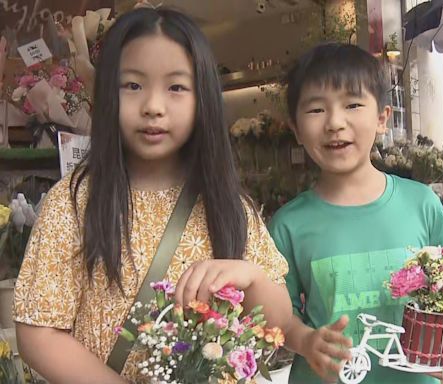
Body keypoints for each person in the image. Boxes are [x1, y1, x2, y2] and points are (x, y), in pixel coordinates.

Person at [13, 8, 291, 384]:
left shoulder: (228, 205)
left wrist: (251, 277)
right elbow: (38, 331)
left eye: (176, 87)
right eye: (133, 85)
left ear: (203, 98)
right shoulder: (75, 201)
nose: (153, 107)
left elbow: (277, 323)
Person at [268, 43, 443, 384]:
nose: (334, 122)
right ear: (296, 129)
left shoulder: (421, 204)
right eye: (316, 110)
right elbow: (281, 315)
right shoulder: (288, 224)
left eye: (353, 104)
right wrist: (306, 341)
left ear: (381, 119)